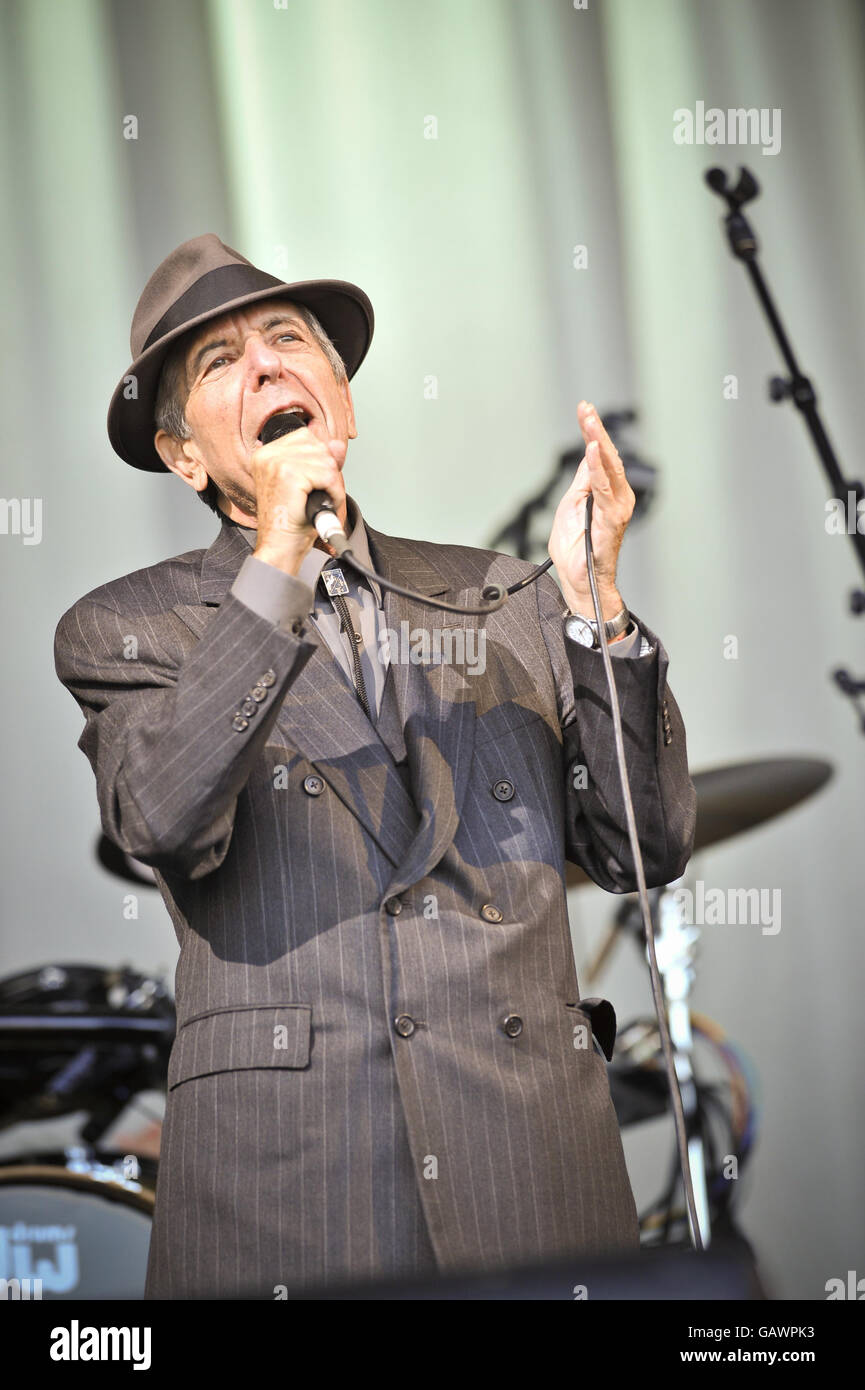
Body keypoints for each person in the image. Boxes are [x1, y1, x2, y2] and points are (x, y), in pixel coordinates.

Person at [54, 234, 696, 1298]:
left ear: (338, 400)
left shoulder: (503, 595)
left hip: (531, 1176)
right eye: (218, 363)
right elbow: (162, 816)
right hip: (292, 1191)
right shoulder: (129, 627)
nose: (262, 366)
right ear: (185, 457)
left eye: (286, 340)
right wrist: (276, 563)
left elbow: (643, 843)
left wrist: (594, 616)